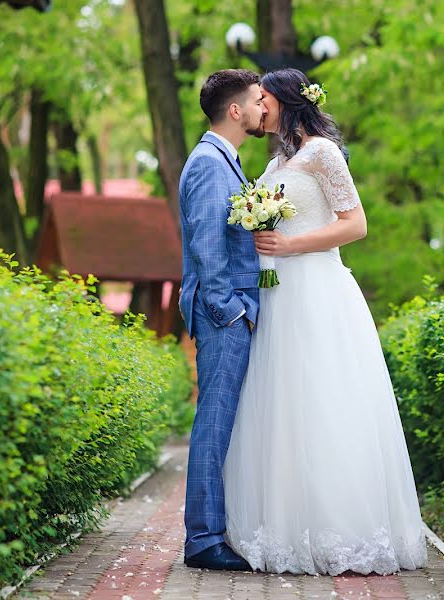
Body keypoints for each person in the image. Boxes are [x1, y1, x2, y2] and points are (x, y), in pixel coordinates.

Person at [222, 68, 429, 576]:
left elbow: (355, 224)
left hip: (315, 290)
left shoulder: (323, 153)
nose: (258, 108)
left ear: (286, 101)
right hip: (277, 295)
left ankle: (339, 531)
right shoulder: (278, 160)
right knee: (280, 406)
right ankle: (284, 527)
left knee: (321, 401)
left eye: (263, 99)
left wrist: (290, 244)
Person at [178, 69, 267, 571]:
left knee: (220, 421)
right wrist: (230, 311)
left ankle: (212, 530)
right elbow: (207, 244)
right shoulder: (211, 164)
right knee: (213, 423)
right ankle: (204, 541)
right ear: (235, 111)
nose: (261, 109)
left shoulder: (223, 161)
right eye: (256, 101)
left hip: (227, 310)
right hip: (223, 314)